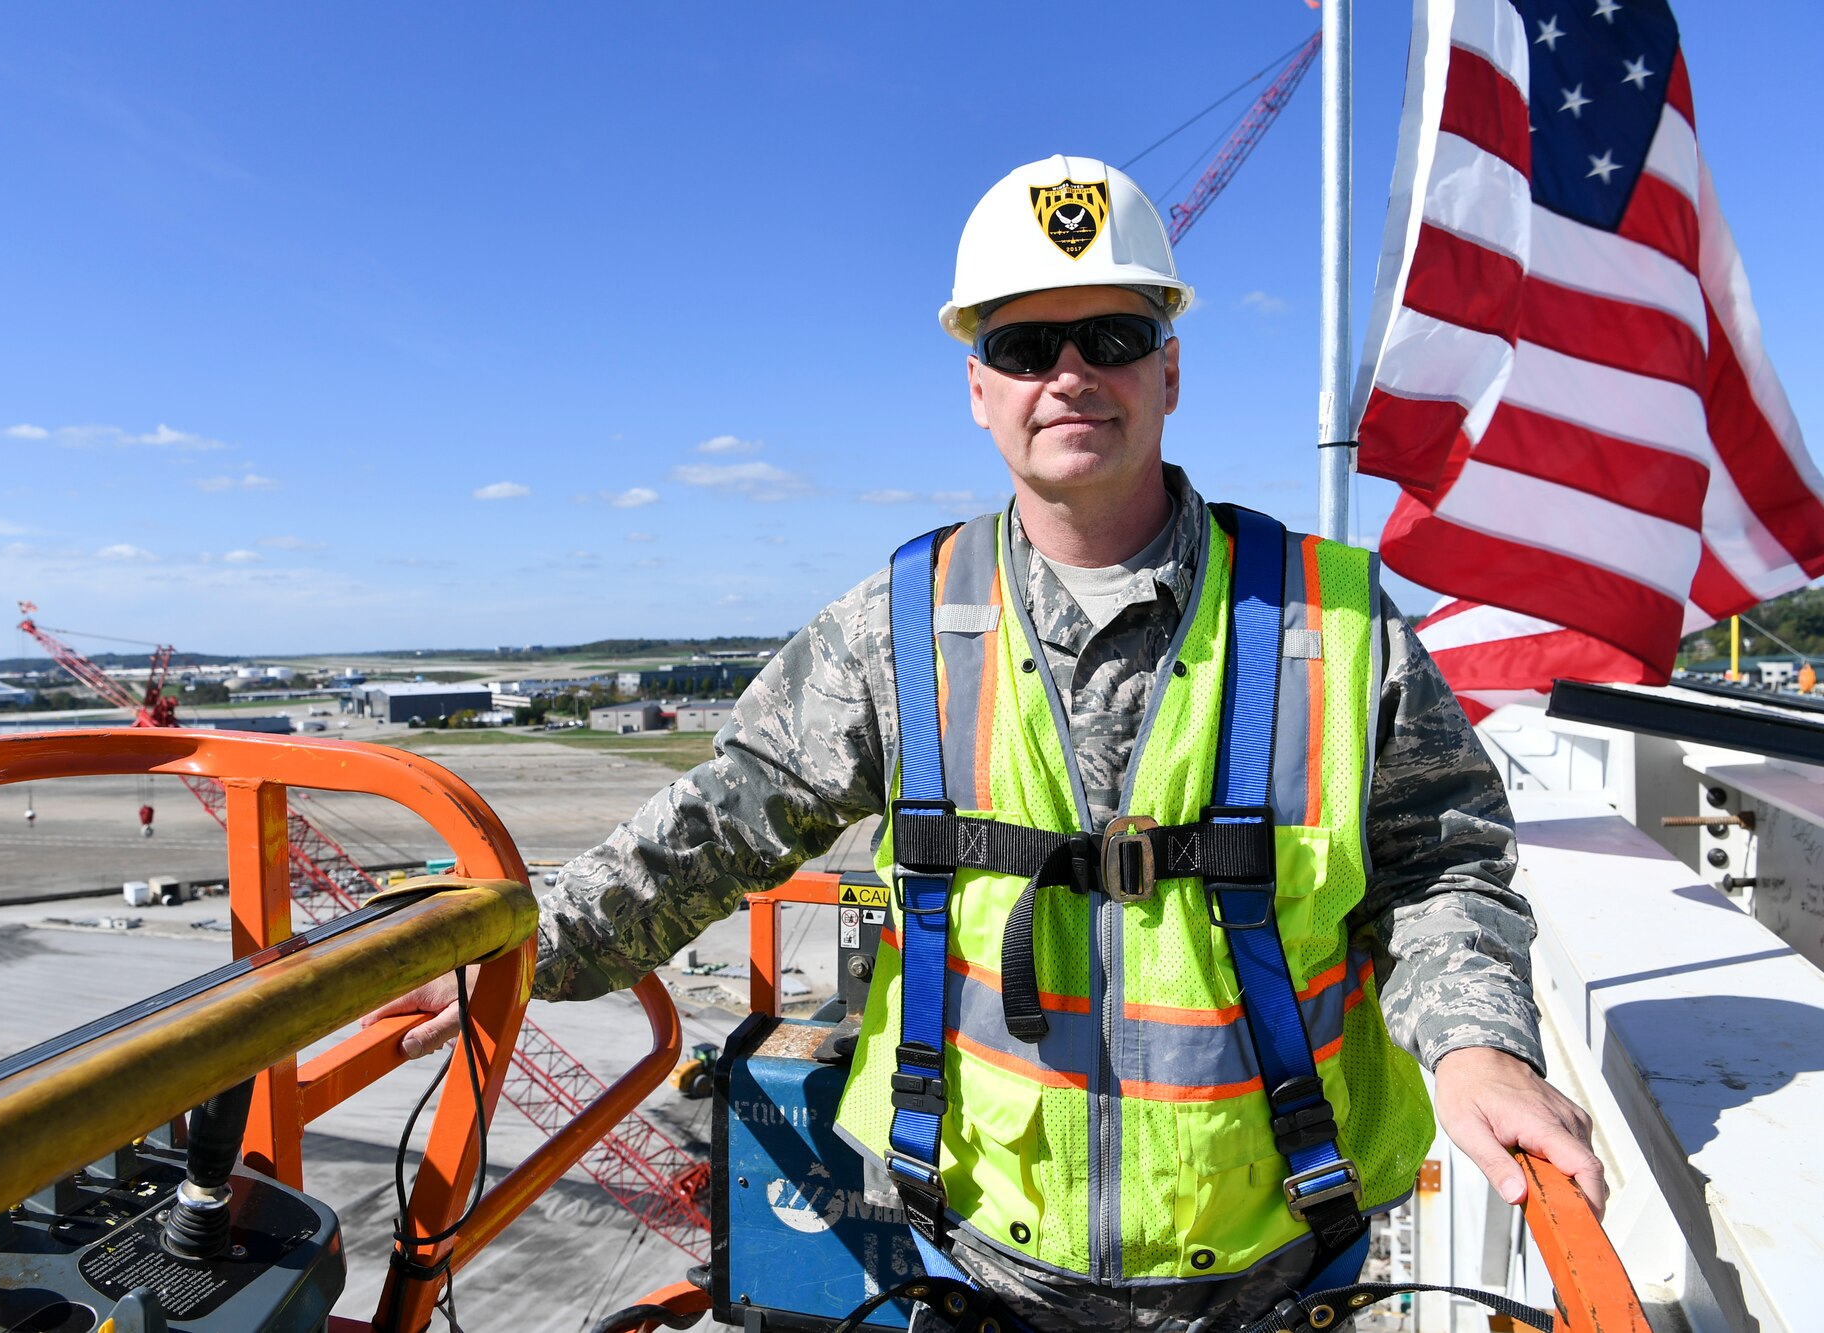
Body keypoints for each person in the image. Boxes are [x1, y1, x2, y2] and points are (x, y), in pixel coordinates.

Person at [370, 155, 1602, 1331]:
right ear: (979, 389)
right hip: (974, 1260)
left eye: (1109, 338)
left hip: (1275, 1256)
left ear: (1168, 372)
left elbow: (1443, 862)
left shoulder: (1328, 622)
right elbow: (719, 824)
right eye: (1023, 345)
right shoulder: (896, 629)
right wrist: (520, 945)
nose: (1070, 374)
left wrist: (1478, 1045)